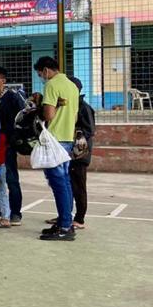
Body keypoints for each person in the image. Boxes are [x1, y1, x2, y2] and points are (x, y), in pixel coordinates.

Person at [33, 56, 80, 241]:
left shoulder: (51, 85)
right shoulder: (72, 86)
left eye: (40, 74)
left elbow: (49, 114)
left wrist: (40, 107)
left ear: (46, 70)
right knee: (65, 182)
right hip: (67, 138)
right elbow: (74, 114)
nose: (41, 78)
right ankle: (64, 222)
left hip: (54, 140)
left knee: (59, 184)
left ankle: (65, 227)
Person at [48, 76, 94, 231]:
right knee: (66, 184)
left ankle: (79, 218)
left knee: (78, 186)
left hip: (79, 154)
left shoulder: (83, 107)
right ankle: (64, 215)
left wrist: (73, 133)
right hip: (67, 151)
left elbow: (89, 130)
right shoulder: (68, 106)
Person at [0, 66, 26, 225]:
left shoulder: (12, 97)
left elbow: (22, 117)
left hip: (7, 144)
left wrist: (14, 138)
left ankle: (15, 213)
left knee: (10, 178)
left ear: (3, 80)